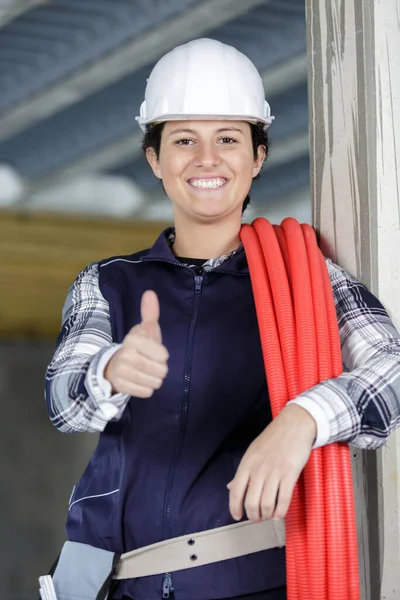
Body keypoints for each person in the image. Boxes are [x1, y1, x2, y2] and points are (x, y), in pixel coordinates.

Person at [45, 38, 400, 600]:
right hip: (104, 587)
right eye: (184, 140)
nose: (206, 159)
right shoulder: (108, 283)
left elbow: (393, 372)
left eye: (228, 139)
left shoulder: (306, 279)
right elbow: (65, 404)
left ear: (257, 158)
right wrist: (109, 371)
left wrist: (301, 420)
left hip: (246, 584)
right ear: (154, 158)